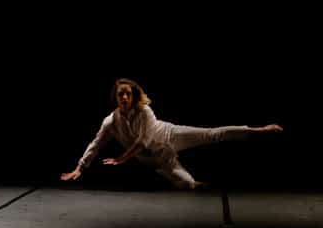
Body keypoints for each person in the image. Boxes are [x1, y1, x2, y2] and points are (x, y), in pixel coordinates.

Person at [60, 78, 283, 189]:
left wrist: (121, 159)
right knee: (187, 185)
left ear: (134, 96)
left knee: (211, 134)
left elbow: (141, 141)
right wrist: (80, 167)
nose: (125, 98)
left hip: (168, 135)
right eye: (121, 95)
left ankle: (257, 130)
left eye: (128, 94)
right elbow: (96, 143)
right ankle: (197, 184)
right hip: (157, 157)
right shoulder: (111, 121)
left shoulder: (145, 111)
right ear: (116, 98)